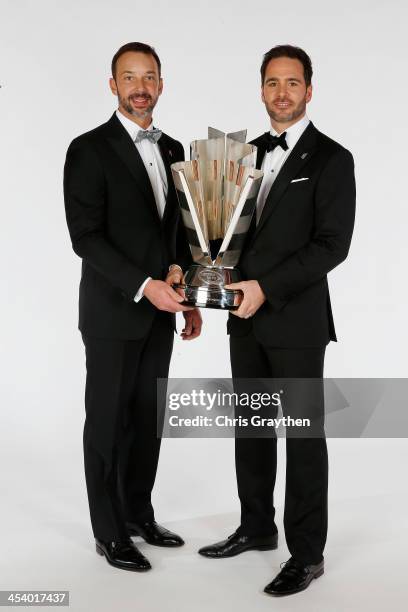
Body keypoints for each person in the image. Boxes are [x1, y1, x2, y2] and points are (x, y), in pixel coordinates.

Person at [198, 45, 355, 597]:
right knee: (253, 429)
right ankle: (257, 526)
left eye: (292, 83)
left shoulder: (333, 159)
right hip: (243, 318)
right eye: (272, 83)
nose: (281, 93)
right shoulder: (241, 157)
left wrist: (267, 287)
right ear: (261, 90)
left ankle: (307, 553)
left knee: (303, 436)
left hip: (297, 322)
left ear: (309, 91)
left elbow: (332, 246)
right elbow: (219, 227)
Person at [63, 42, 202, 572]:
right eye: (129, 77)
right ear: (113, 85)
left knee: (147, 418)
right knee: (106, 420)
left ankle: (139, 514)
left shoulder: (172, 150)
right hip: (112, 310)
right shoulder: (88, 149)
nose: (140, 86)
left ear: (161, 85)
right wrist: (145, 285)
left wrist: (182, 289)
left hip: (161, 310)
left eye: (149, 77)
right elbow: (86, 238)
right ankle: (108, 531)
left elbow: (173, 232)